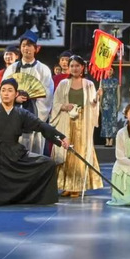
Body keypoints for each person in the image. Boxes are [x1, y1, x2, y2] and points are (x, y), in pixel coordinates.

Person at [0, 78, 69, 206]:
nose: (6, 93)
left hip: (16, 153)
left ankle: (32, 197)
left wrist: (60, 138)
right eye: (3, 90)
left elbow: (40, 125)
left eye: (10, 90)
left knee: (48, 163)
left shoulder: (21, 113)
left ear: (16, 94)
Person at [51, 55, 103, 198]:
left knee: (80, 152)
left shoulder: (89, 84)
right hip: (66, 120)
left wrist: (97, 98)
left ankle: (78, 186)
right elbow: (55, 103)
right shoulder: (63, 84)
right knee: (66, 151)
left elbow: (92, 104)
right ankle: (66, 185)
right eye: (72, 66)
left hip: (83, 122)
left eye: (77, 66)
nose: (74, 68)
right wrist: (64, 106)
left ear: (83, 67)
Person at [2, 30, 54, 154]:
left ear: (36, 48)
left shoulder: (43, 69)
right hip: (14, 115)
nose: (26, 48)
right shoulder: (12, 68)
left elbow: (47, 95)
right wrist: (14, 99)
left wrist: (35, 115)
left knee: (34, 152)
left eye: (29, 45)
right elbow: (3, 90)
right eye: (23, 45)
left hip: (35, 113)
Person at [98, 66, 120, 147]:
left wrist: (118, 103)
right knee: (105, 122)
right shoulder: (103, 81)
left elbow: (118, 93)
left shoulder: (116, 81)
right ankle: (107, 140)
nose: (109, 71)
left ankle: (111, 140)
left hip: (113, 103)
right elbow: (101, 94)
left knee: (113, 122)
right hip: (105, 103)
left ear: (113, 71)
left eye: (111, 70)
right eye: (108, 70)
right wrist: (100, 103)